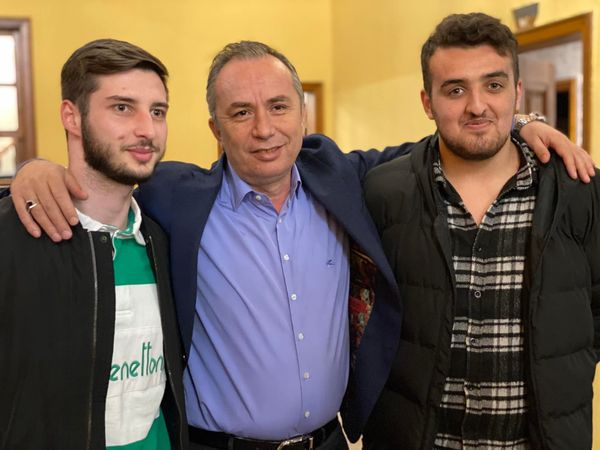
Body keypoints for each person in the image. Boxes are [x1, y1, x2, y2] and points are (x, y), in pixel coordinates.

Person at [7, 40, 595, 448]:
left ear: (303, 114)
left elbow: (441, 142)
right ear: (215, 129)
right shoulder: (175, 198)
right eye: (241, 112)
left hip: (331, 442)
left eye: (279, 106)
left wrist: (522, 124)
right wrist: (32, 171)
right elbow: (104, 175)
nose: (264, 129)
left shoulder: (341, 178)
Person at [361, 13, 600, 449]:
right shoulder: (383, 193)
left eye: (494, 85)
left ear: (517, 93)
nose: (476, 105)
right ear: (427, 102)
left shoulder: (578, 191)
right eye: (455, 90)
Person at [0, 39, 187, 449]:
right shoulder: (13, 238)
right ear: (71, 116)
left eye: (158, 111)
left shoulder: (162, 240)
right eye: (122, 107)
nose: (147, 129)